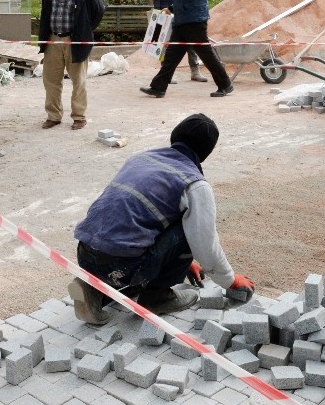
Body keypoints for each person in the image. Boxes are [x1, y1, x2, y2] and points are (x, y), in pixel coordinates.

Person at [68, 114, 256, 325]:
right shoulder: (194, 184)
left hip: (86, 254)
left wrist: (183, 260)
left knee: (145, 230)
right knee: (191, 226)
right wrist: (230, 281)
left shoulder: (141, 159)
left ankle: (94, 288)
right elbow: (205, 244)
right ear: (206, 153)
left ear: (173, 136)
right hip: (123, 264)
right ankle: (157, 296)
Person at [140, 0, 234, 98]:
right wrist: (170, 8)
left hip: (194, 22)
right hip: (182, 22)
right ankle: (158, 87)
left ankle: (225, 85)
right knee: (171, 56)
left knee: (207, 55)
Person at [37, 0, 105, 130]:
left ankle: (79, 116)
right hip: (53, 39)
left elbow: (98, 10)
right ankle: (53, 115)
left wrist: (85, 30)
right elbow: (45, 11)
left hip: (75, 41)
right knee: (51, 80)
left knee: (79, 81)